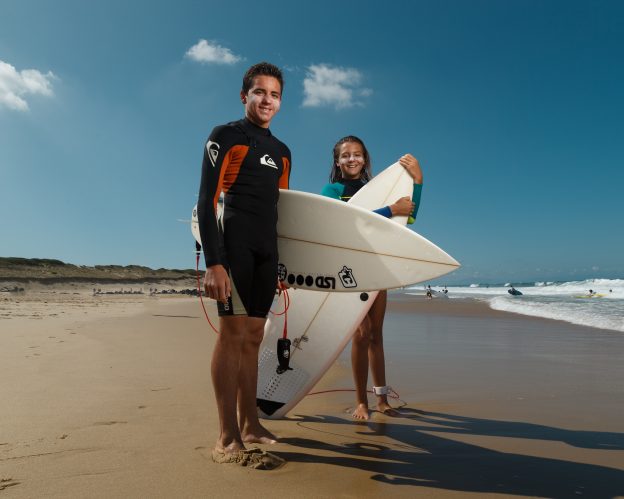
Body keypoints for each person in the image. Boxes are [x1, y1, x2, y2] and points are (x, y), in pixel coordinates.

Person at [197, 62, 290, 468]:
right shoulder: (226, 136)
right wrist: (214, 263)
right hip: (233, 246)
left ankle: (250, 424)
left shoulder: (283, 152)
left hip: (267, 252)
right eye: (260, 92)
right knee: (232, 334)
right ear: (244, 96)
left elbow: (283, 212)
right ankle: (226, 435)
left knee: (254, 336)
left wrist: (283, 267)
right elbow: (207, 200)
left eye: (275, 94)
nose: (267, 100)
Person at [321, 135, 423, 420]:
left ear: (365, 159)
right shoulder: (332, 190)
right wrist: (391, 209)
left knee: (376, 335)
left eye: (357, 154)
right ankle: (360, 402)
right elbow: (340, 222)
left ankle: (382, 400)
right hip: (348, 269)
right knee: (362, 334)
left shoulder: (376, 189)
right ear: (337, 162)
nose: (351, 159)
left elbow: (408, 218)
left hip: (376, 266)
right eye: (345, 155)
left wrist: (418, 181)